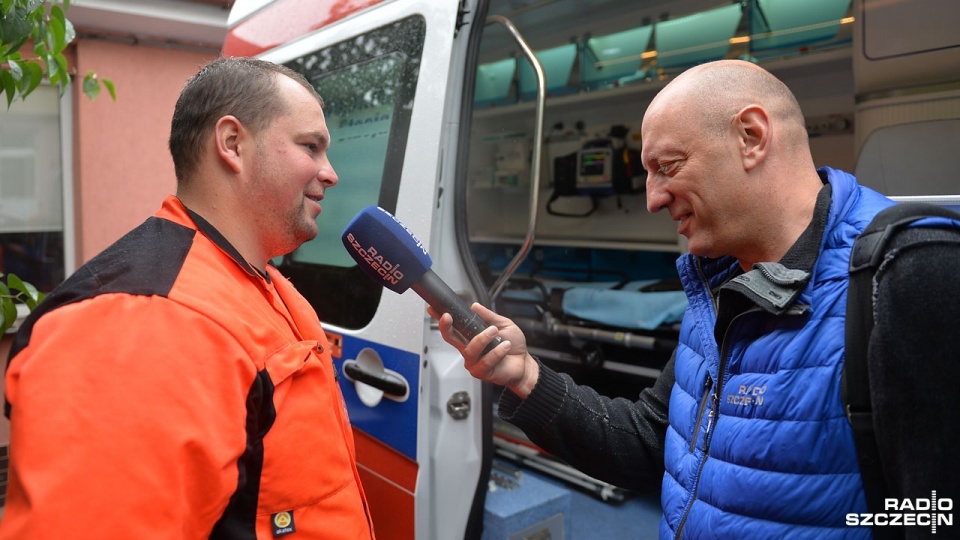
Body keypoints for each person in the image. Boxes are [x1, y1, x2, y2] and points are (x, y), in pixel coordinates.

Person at [431, 59, 958, 539]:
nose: (654, 198)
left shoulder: (907, 273)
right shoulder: (722, 282)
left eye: (668, 166)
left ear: (751, 137)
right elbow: (651, 443)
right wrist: (523, 376)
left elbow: (935, 513)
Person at [1, 57, 375, 539]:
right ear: (233, 144)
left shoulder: (267, 284)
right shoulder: (141, 321)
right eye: (311, 146)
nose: (331, 173)